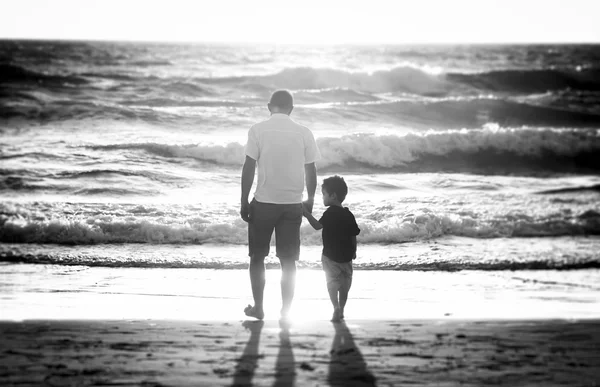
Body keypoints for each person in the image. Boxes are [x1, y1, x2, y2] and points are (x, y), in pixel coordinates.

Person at [240, 89, 320, 321]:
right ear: (291, 109)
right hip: (292, 204)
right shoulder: (304, 132)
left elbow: (248, 166)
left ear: (268, 107)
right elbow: (311, 169)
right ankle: (286, 311)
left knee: (257, 257)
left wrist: (244, 199)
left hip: (263, 203)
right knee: (288, 261)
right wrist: (311, 199)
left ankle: (259, 307)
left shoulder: (257, 130)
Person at [302, 175, 360, 322]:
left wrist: (306, 214)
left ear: (333, 196)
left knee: (332, 283)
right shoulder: (348, 214)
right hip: (346, 256)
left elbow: (317, 226)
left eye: (324, 194)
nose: (323, 198)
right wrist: (354, 250)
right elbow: (353, 234)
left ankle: (335, 307)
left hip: (329, 256)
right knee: (345, 284)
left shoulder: (329, 213)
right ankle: (342, 308)